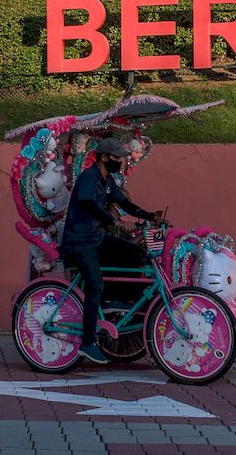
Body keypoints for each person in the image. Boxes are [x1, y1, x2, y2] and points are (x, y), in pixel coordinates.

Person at [59, 137, 161, 364]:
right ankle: (87, 343)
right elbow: (88, 203)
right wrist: (112, 222)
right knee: (94, 284)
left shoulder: (108, 181)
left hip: (95, 239)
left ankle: (117, 300)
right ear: (104, 157)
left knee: (133, 254)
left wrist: (149, 216)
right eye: (117, 159)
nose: (121, 163)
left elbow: (125, 204)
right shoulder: (89, 177)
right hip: (79, 243)